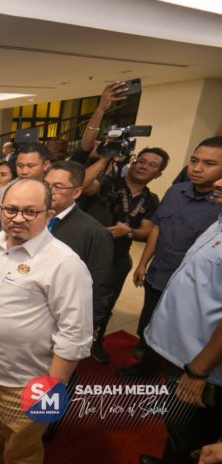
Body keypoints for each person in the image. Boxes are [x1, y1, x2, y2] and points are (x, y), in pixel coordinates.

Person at [0, 179, 93, 464]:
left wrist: (50, 390)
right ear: (1, 209)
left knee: (22, 447)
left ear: (49, 214)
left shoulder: (65, 263)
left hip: (26, 381)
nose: (18, 218)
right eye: (11, 209)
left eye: (30, 211)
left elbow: (75, 337)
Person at [137, 175, 222, 464]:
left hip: (202, 363)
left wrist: (198, 371)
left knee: (192, 434)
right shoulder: (218, 220)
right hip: (185, 354)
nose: (218, 182)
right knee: (178, 423)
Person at [123, 136, 222, 376]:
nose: (197, 168)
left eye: (209, 164)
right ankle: (146, 368)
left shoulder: (219, 205)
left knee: (182, 338)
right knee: (148, 323)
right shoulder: (176, 191)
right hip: (159, 274)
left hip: (192, 289)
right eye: (194, 161)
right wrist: (143, 263)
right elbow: (158, 228)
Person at [81, 146, 167, 358]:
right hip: (87, 254)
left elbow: (147, 231)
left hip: (117, 258)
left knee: (105, 303)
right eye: (141, 161)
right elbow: (83, 186)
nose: (143, 166)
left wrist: (128, 232)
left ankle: (96, 341)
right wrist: (106, 158)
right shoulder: (109, 182)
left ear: (158, 174)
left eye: (152, 165)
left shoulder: (151, 199)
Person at [44, 161, 114, 363]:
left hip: (64, 321)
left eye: (58, 187)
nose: (49, 191)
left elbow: (99, 285)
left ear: (76, 192)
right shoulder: (33, 219)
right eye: (46, 184)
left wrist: (89, 325)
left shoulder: (94, 232)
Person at [0, 142, 52, 255]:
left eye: (30, 166)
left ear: (45, 165)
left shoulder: (52, 191)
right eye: (20, 166)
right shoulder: (3, 192)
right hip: (6, 254)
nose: (24, 171)